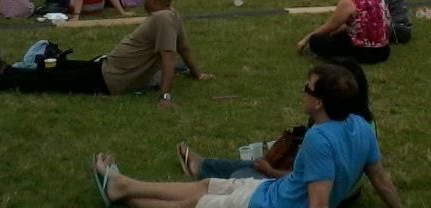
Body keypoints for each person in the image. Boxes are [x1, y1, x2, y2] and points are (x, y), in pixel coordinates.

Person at [90, 63, 402, 208]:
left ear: (318, 102)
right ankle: (124, 186)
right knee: (203, 187)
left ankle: (123, 192)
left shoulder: (319, 138)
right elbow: (381, 179)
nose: (303, 92)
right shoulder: (361, 125)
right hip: (270, 191)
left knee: (193, 204)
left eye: (307, 88)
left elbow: (317, 205)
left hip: (268, 204)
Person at [0, 0, 212, 103]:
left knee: (50, 80)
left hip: (109, 80)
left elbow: (170, 56)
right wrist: (197, 74)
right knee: (57, 66)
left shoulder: (162, 19)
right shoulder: (171, 15)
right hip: (106, 67)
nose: (143, 0)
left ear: (156, 1)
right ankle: (9, 70)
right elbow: (185, 49)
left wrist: (164, 96)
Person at [298, 0, 391, 64]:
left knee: (316, 40)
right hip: (384, 50)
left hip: (364, 53)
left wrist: (306, 39)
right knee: (340, 34)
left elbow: (329, 27)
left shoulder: (350, 1)